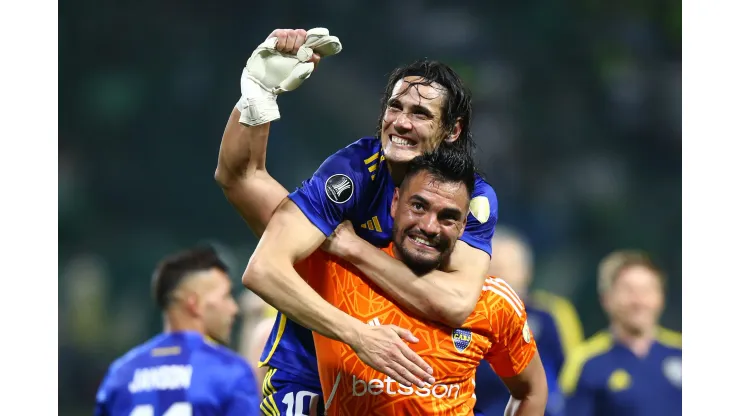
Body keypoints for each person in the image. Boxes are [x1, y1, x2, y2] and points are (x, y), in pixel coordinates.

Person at [215, 28, 499, 414]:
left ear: (452, 130)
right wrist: (258, 98)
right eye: (395, 107)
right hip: (310, 376)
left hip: (402, 382)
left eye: (420, 114)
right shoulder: (351, 174)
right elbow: (262, 263)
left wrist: (352, 248)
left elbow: (454, 303)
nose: (401, 122)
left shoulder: (468, 197)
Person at [94, 247, 260, 416]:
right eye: (226, 296)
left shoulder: (120, 373)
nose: (234, 308)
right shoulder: (230, 371)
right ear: (194, 304)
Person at [473, 226, 584, 416]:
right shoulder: (462, 316)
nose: (502, 274)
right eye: (494, 267)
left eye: (510, 267)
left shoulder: (552, 314)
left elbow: (573, 377)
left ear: (527, 271)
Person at [559, 250, 681, 416]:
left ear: (661, 298)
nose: (639, 301)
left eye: (647, 290)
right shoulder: (586, 362)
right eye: (628, 291)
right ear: (607, 298)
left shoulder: (681, 351)